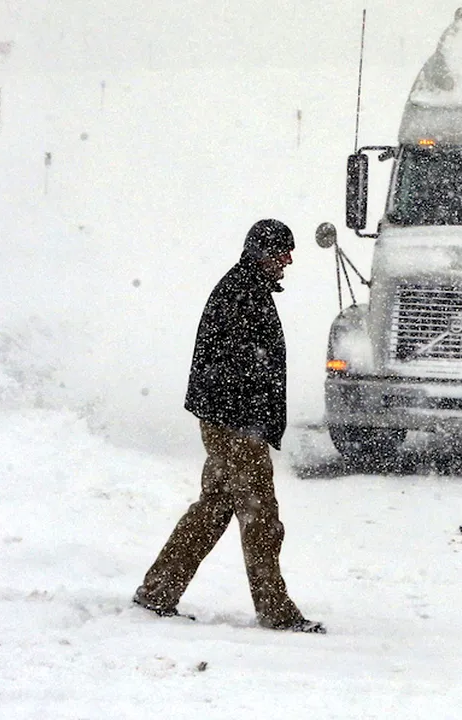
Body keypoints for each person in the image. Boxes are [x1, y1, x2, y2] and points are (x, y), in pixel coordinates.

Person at [133, 219, 324, 633]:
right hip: (237, 424)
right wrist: (251, 421)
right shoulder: (242, 293)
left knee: (215, 508)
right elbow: (236, 367)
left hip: (230, 420)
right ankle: (275, 610)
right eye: (281, 252)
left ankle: (158, 590)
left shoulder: (245, 288)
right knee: (261, 517)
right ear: (259, 252)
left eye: (289, 251)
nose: (288, 260)